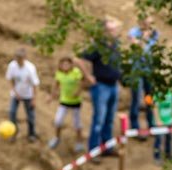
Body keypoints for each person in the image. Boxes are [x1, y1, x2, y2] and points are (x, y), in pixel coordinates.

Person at [76, 18, 122, 156]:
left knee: (109, 119)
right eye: (110, 30)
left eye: (114, 29)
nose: (114, 32)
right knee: (99, 119)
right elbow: (79, 59)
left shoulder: (115, 44)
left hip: (114, 85)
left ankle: (107, 146)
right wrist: (88, 76)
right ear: (104, 31)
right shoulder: (97, 46)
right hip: (101, 86)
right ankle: (94, 150)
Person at [127, 15, 159, 141]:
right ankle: (135, 128)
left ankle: (151, 124)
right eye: (146, 22)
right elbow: (137, 47)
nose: (148, 25)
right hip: (136, 71)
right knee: (136, 99)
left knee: (149, 98)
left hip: (149, 71)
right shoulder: (133, 32)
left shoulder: (154, 34)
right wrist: (144, 38)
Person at [47, 56, 85, 152]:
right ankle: (56, 138)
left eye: (67, 64)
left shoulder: (76, 72)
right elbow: (56, 85)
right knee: (58, 120)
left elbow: (81, 82)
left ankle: (79, 142)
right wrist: (52, 96)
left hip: (75, 101)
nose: (65, 66)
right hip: (64, 101)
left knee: (77, 123)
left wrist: (78, 92)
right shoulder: (59, 74)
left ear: (71, 64)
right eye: (63, 64)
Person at [6, 48, 41, 142]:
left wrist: (34, 99)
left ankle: (31, 134)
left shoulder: (30, 68)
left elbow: (35, 84)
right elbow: (10, 79)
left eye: (20, 58)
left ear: (25, 58)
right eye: (17, 57)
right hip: (16, 94)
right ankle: (13, 132)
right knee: (12, 113)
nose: (18, 60)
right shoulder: (12, 66)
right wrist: (15, 92)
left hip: (28, 95)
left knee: (30, 116)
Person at [153, 88, 172, 163]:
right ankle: (157, 156)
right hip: (160, 122)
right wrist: (158, 120)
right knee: (159, 139)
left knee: (169, 138)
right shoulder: (157, 92)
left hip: (169, 120)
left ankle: (169, 155)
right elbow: (155, 107)